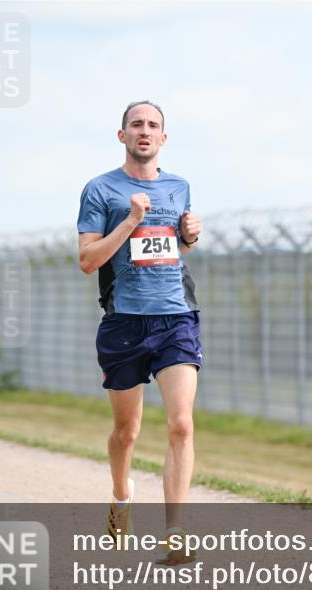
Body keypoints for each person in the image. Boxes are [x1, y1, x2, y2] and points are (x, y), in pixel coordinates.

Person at [76, 100, 202, 565]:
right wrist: (130, 220)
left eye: (153, 126)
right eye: (136, 125)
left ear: (163, 138)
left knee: (181, 424)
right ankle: (121, 496)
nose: (144, 131)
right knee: (126, 432)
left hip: (176, 317)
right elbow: (88, 262)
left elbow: (175, 249)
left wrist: (190, 234)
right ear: (122, 135)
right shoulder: (100, 190)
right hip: (125, 322)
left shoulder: (179, 186)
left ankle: (174, 532)